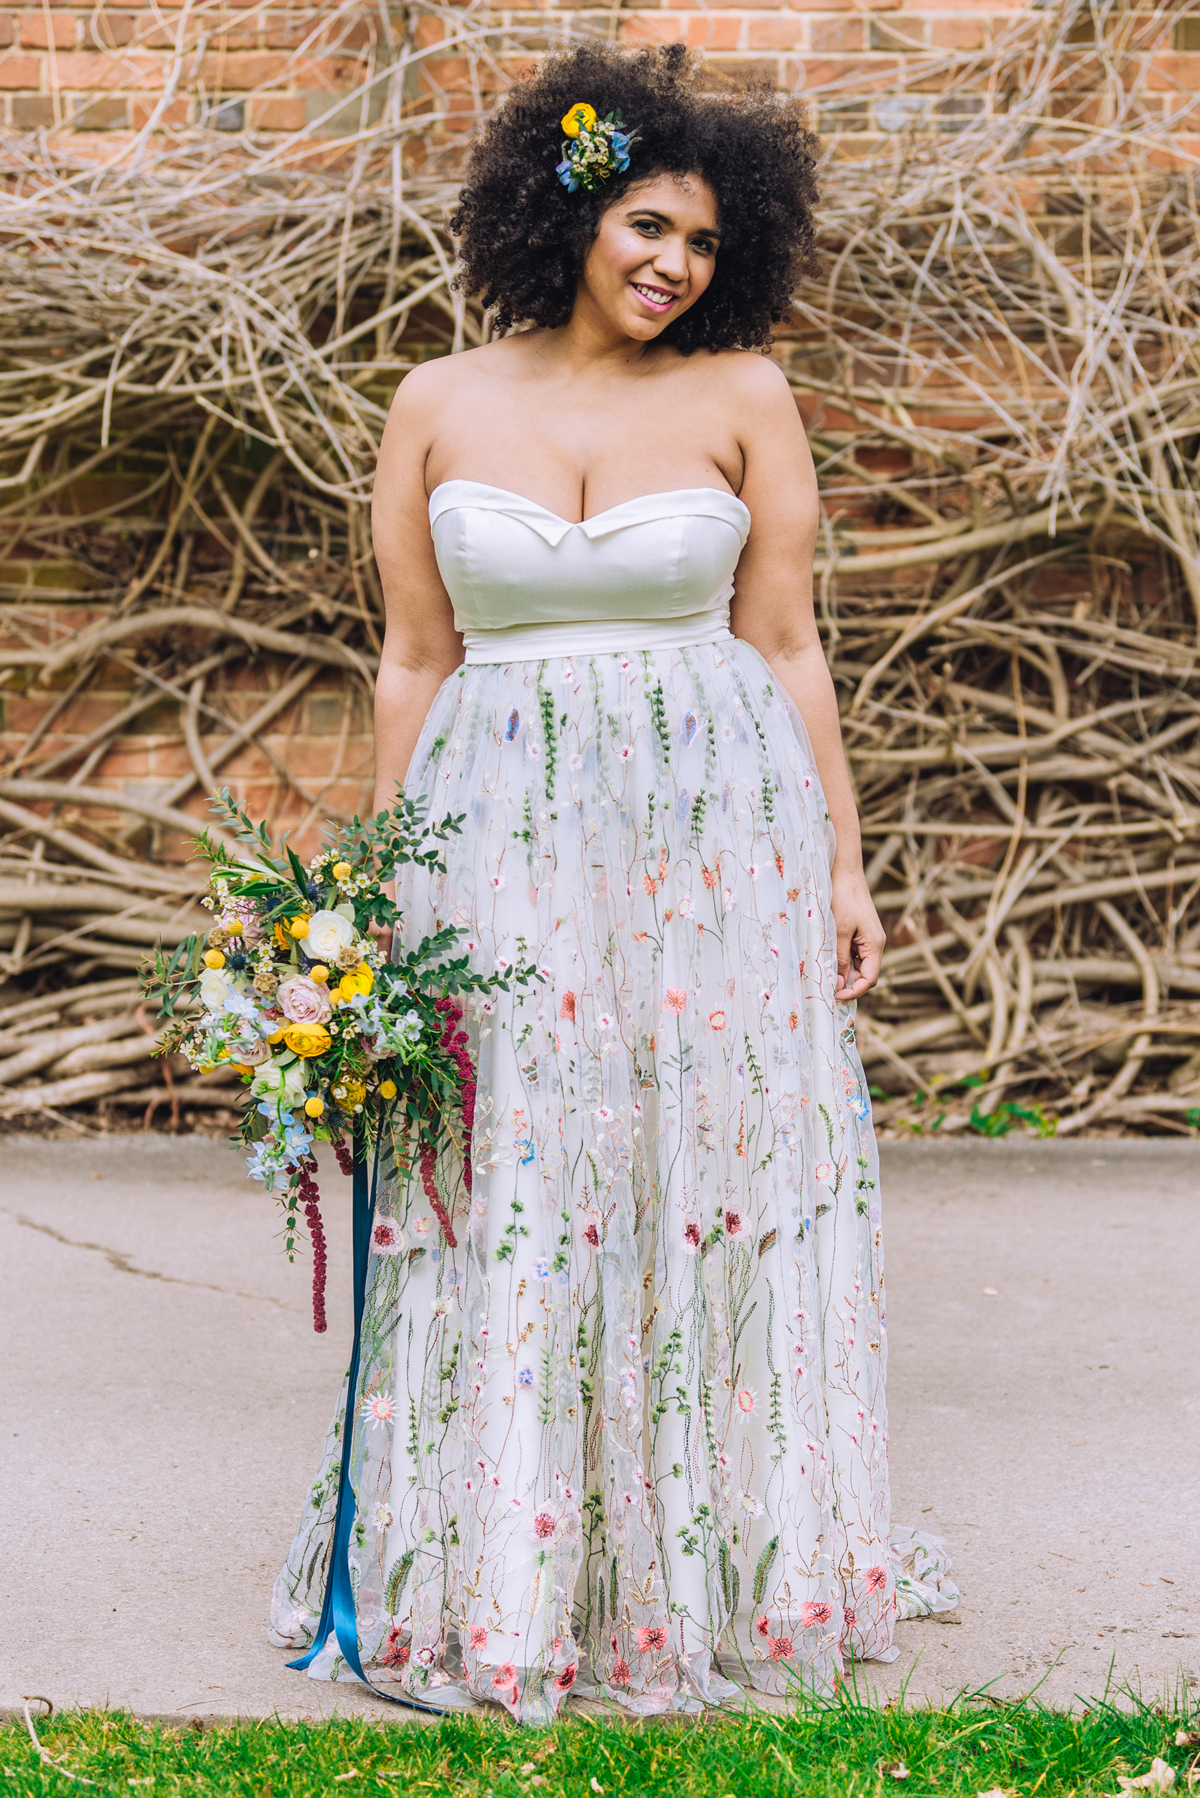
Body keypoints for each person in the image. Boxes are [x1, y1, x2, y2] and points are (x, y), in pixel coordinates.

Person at [269, 40, 956, 1722]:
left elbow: (785, 637)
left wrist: (844, 859)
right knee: (512, 1169)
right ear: (571, 211)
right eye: (650, 225)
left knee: (698, 1167)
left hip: (714, 829)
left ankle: (709, 1558)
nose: (675, 266)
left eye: (708, 244)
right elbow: (412, 661)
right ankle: (504, 1559)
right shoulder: (437, 402)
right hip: (498, 832)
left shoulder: (746, 396)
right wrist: (377, 887)